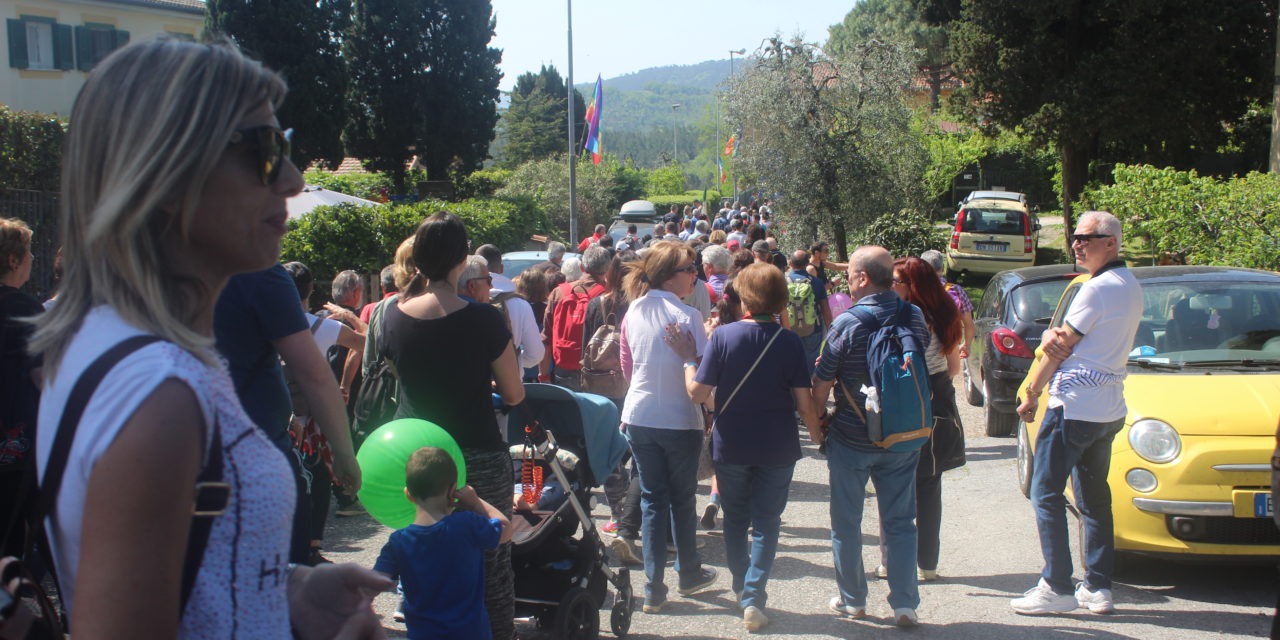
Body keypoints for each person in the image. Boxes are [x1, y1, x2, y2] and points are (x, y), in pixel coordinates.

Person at [29, 37, 389, 637]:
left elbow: (186, 582)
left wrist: (285, 591)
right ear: (167, 174)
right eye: (267, 151)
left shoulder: (107, 343)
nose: (295, 180)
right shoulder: (161, 395)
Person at [380, 211, 525, 639]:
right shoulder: (482, 319)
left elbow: (396, 373)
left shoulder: (391, 316)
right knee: (492, 572)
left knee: (423, 566)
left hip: (417, 458)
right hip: (476, 454)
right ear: (464, 259)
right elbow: (515, 394)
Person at [666, 263, 821, 632]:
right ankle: (753, 595)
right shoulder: (790, 342)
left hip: (732, 442)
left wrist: (689, 358)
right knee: (767, 523)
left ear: (744, 297)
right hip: (779, 444)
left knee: (735, 520)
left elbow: (697, 393)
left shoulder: (723, 337)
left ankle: (741, 588)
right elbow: (804, 403)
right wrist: (818, 434)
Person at [1012, 211, 1141, 616]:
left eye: (1087, 237)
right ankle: (1098, 586)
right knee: (1093, 496)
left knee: (1045, 491)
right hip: (1107, 408)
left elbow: (1060, 347)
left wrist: (1032, 392)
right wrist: (1057, 337)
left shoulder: (1095, 288)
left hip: (1075, 407)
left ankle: (1057, 585)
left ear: (1111, 243)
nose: (1077, 244)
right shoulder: (1130, 285)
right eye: (1075, 237)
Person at [812, 246, 930, 628]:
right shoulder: (912, 314)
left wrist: (818, 419)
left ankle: (854, 601)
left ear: (863, 278)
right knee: (900, 521)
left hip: (851, 436)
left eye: (850, 276)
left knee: (846, 522)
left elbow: (823, 379)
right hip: (902, 436)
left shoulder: (846, 323)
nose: (847, 282)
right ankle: (905, 604)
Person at [617, 241, 718, 614]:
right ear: (669, 276)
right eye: (690, 269)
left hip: (640, 415)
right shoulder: (688, 316)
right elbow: (704, 376)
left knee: (653, 501)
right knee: (680, 498)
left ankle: (653, 587)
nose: (696, 274)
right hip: (678, 418)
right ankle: (688, 572)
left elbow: (628, 368)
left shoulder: (633, 311)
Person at [879, 256, 966, 582]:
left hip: (904, 399)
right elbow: (953, 368)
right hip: (939, 398)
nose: (891, 287)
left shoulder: (900, 318)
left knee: (894, 483)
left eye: (896, 282)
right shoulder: (944, 314)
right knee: (929, 483)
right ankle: (927, 564)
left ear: (912, 286)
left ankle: (890, 562)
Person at [374, 447, 512, 640]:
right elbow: (506, 529)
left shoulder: (398, 542)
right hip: (471, 634)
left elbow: (373, 581)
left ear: (408, 494)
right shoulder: (467, 524)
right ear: (452, 491)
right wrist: (475, 502)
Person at [0, 217, 42, 558]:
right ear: (13, 260)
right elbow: (44, 377)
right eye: (27, 252)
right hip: (14, 448)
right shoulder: (24, 308)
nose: (32, 260)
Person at [542, 245, 609, 392]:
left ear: (582, 267)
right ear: (607, 268)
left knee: (568, 412)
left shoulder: (559, 292)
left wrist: (543, 374)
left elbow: (546, 337)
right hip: (598, 370)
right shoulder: (608, 296)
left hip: (564, 366)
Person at [476, 246, 545, 376]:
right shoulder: (520, 304)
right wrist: (514, 359)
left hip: (473, 383)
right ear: (501, 268)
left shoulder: (465, 297)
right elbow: (535, 354)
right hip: (509, 383)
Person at [921, 249, 975, 359]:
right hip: (949, 350)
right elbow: (969, 324)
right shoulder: (957, 291)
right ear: (943, 268)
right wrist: (966, 345)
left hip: (920, 350)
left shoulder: (914, 290)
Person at [786, 250, 827, 376]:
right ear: (807, 263)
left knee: (791, 365)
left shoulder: (782, 281)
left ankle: (794, 393)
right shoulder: (816, 282)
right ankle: (808, 391)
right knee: (810, 367)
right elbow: (826, 309)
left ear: (790, 263)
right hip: (813, 329)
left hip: (789, 330)